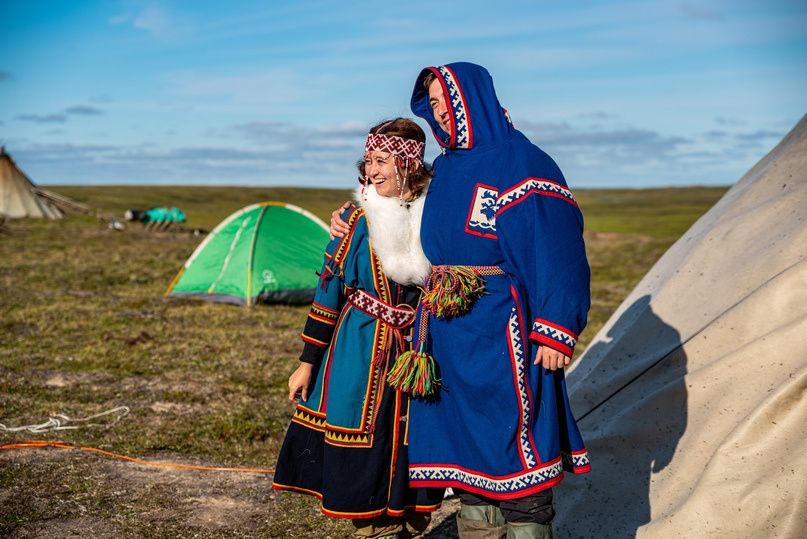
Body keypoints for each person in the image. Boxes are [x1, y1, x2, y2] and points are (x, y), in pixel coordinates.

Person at [331, 63, 591, 538]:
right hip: (447, 333)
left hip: (502, 330)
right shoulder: (447, 167)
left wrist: (557, 326)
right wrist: (357, 209)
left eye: (445, 102)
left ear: (472, 99)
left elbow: (556, 248)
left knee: (514, 442)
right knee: (465, 454)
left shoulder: (524, 163)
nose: (440, 114)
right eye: (431, 105)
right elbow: (402, 205)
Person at [272, 118, 444, 539]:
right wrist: (307, 362)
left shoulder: (437, 213)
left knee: (412, 442)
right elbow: (328, 291)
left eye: (382, 160)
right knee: (362, 436)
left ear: (408, 163)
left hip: (418, 348)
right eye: (369, 160)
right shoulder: (353, 218)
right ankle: (372, 528)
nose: (372, 170)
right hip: (359, 346)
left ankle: (409, 522)